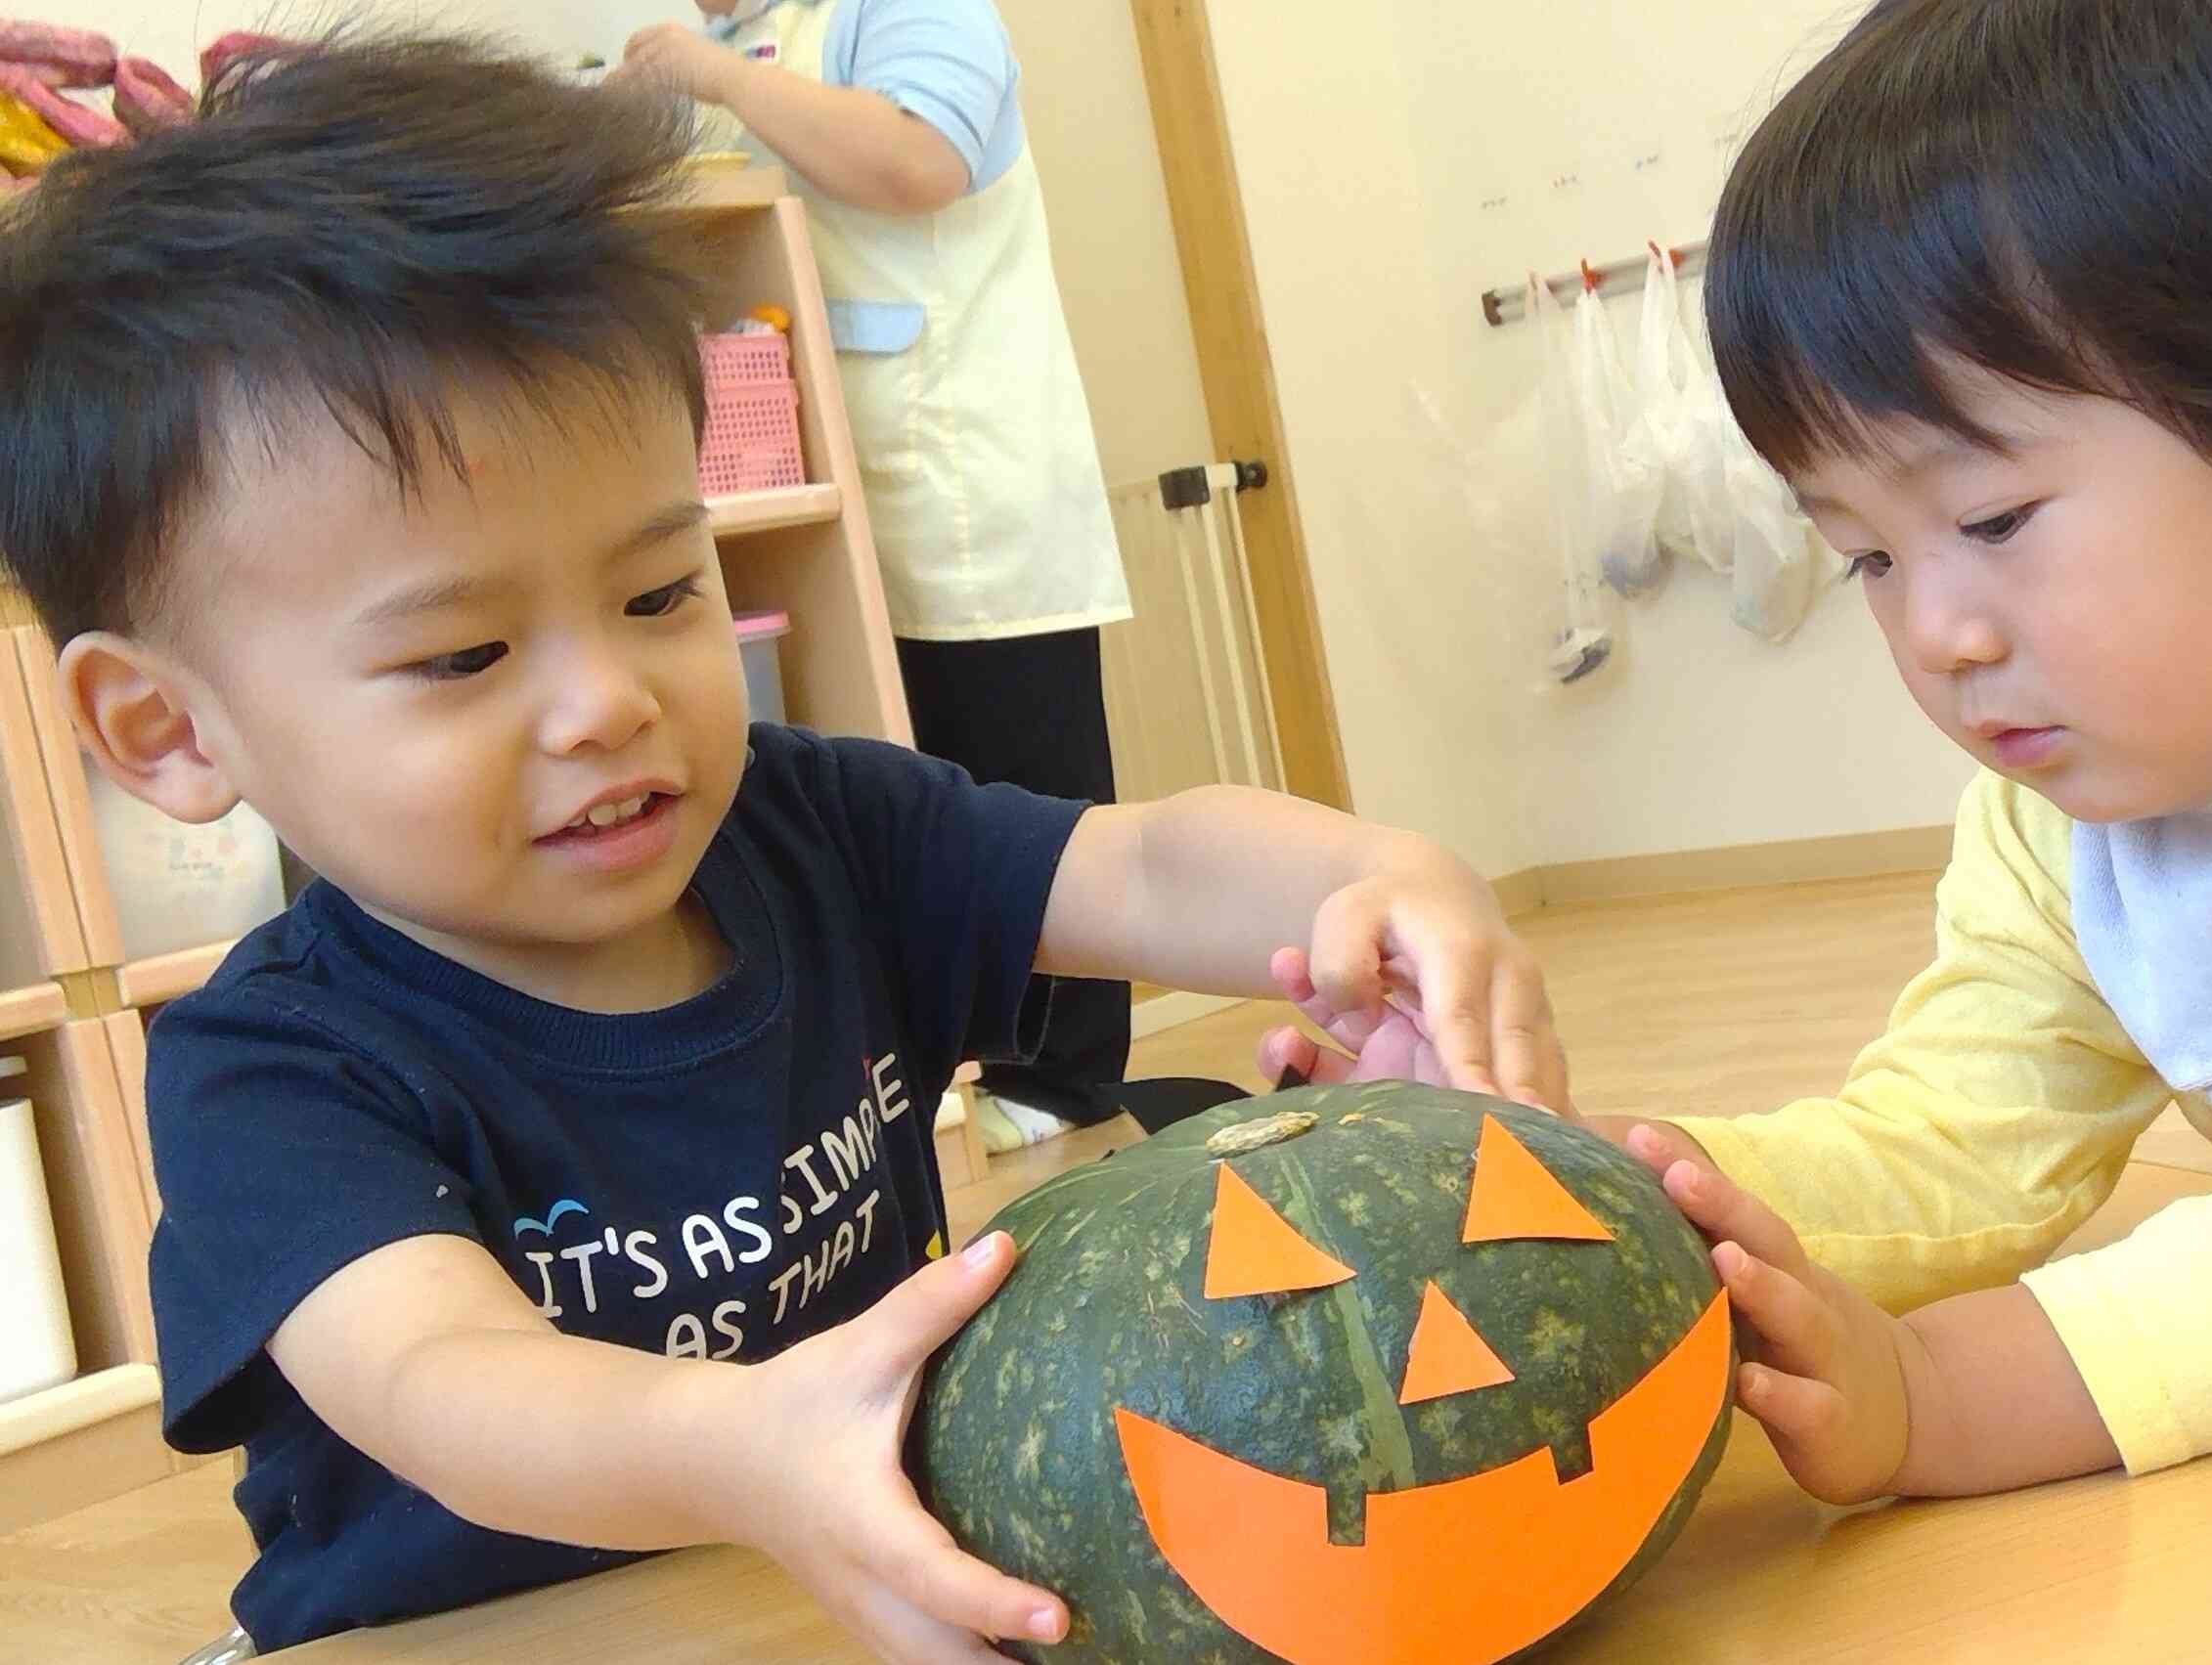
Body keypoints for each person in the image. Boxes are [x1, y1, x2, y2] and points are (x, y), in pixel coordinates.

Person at [0, 39, 1565, 1657]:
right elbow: (441, 1376)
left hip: (851, 1585)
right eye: (463, 656)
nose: (607, 702)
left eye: (660, 593)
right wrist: (740, 1446)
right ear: (168, 730)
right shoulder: (272, 1062)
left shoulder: (817, 829)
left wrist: (1375, 882)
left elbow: (1152, 864)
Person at [1271, 0, 2212, 1508]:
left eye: (1993, 521)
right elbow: (1951, 1149)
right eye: (1865, 553)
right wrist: (1579, 1184)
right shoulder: (2065, 807)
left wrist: (1946, 1392)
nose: (1938, 632)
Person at [622, 0, 1139, 1154]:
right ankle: (955, 1061)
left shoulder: (908, 10)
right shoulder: (764, 34)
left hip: (962, 479)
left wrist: (713, 74)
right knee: (895, 797)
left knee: (1021, 783)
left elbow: (919, 159)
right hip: (840, 488)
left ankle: (1062, 1076)